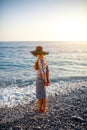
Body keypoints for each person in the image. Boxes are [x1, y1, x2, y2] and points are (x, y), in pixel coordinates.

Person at [30, 46, 50, 113]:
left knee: (40, 95)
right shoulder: (45, 59)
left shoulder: (39, 60)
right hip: (44, 79)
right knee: (43, 95)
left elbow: (42, 72)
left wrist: (44, 80)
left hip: (40, 79)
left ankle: (40, 109)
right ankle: (44, 108)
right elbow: (47, 71)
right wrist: (48, 80)